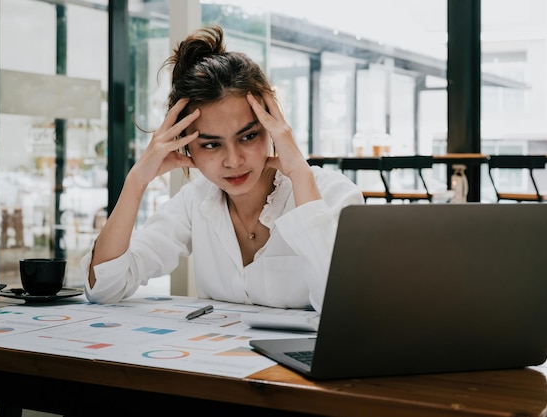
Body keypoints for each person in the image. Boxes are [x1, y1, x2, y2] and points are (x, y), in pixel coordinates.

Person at [80, 25, 364, 313]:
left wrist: (301, 175)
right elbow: (104, 287)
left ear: (272, 126)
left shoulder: (333, 196)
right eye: (211, 145)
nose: (233, 160)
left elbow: (345, 310)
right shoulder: (196, 201)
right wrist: (136, 180)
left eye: (248, 136)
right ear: (186, 146)